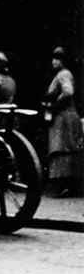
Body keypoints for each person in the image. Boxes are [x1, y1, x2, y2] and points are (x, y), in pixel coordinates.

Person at [43, 46, 84, 197]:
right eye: (53, 58)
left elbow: (68, 92)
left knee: (61, 148)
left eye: (57, 59)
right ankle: (69, 185)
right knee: (66, 147)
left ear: (63, 61)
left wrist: (54, 106)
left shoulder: (63, 74)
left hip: (64, 116)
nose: (53, 62)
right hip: (66, 115)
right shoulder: (63, 74)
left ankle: (64, 184)